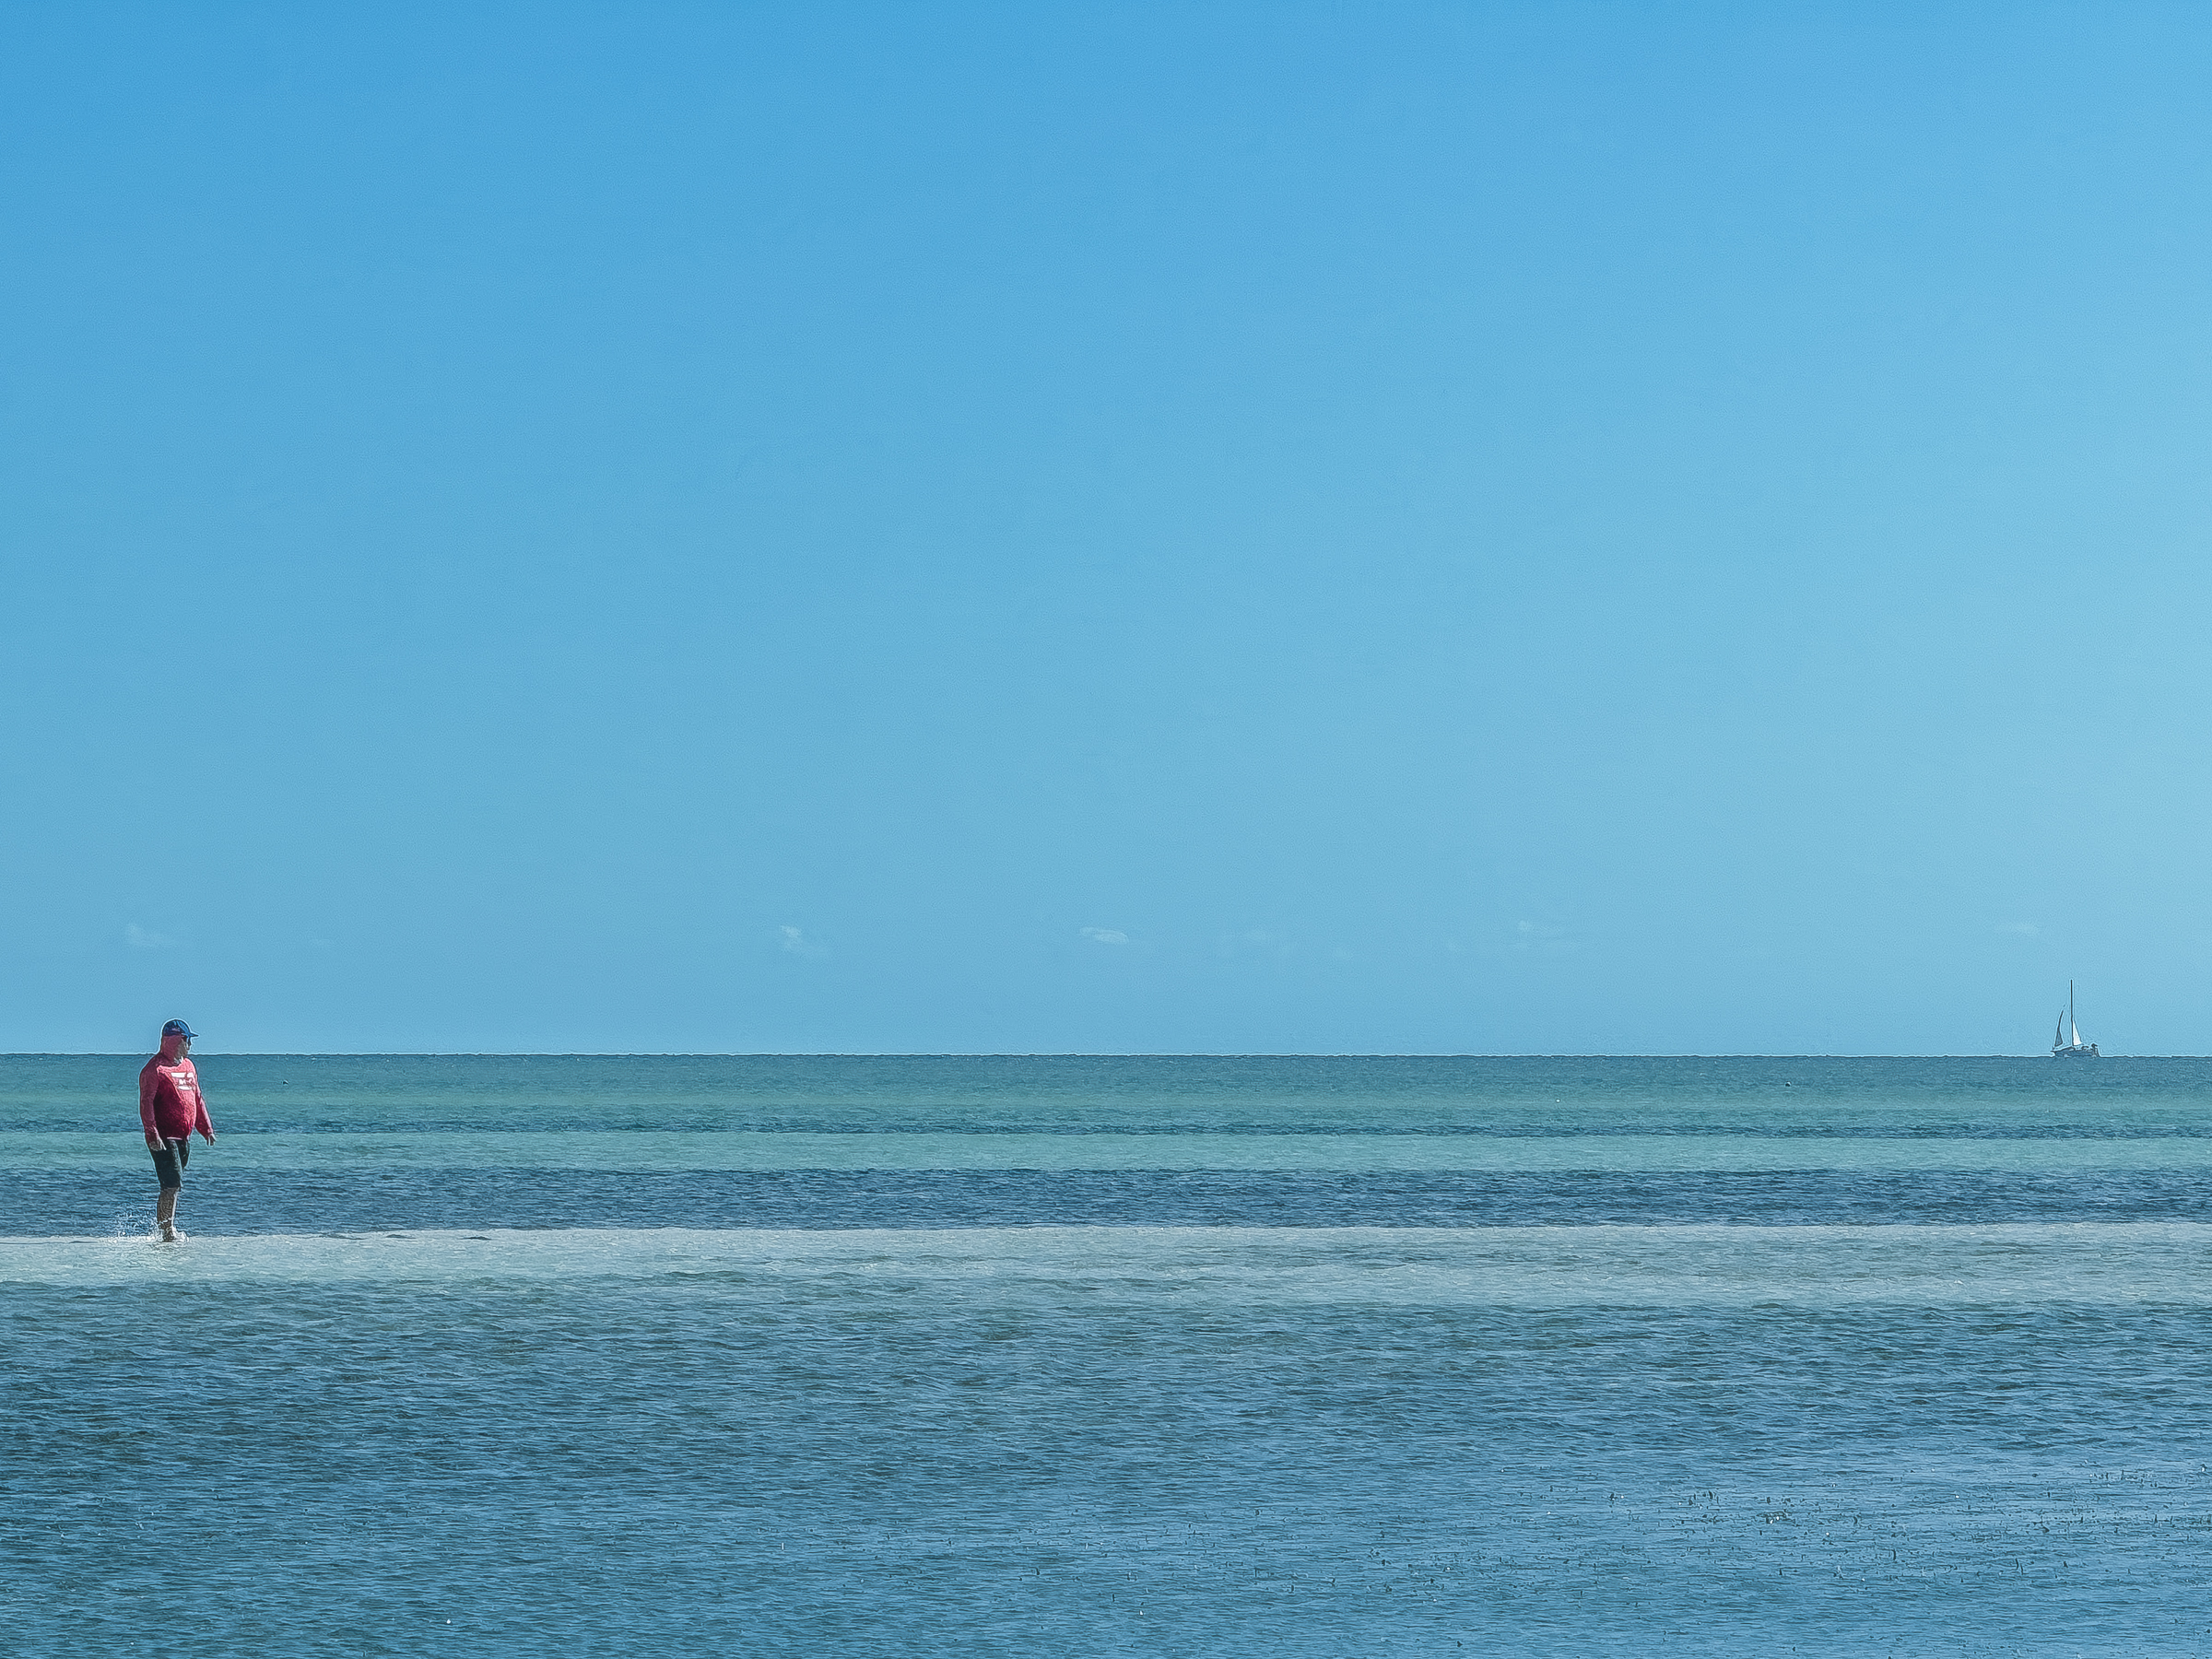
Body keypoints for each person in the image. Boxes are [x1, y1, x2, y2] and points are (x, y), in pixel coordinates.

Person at [140, 1018, 216, 1241]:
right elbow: (146, 1104)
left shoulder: (189, 1067)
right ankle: (167, 1232)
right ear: (177, 1040)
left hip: (184, 1136)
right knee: (172, 1184)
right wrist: (152, 1134)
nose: (190, 1045)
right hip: (163, 1137)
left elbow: (197, 1098)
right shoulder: (154, 1070)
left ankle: (165, 1228)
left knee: (173, 1185)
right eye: (187, 1040)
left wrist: (205, 1128)